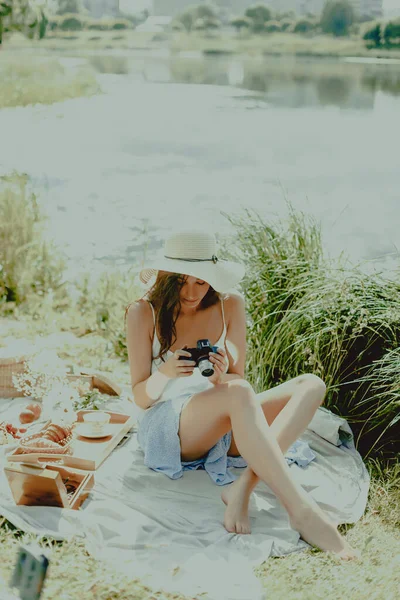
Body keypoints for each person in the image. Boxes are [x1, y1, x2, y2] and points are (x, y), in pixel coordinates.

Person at [125, 229, 359, 560]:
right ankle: (302, 511)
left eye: (201, 281)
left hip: (222, 412)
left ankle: (243, 487)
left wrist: (222, 375)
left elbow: (238, 379)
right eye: (181, 281)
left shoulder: (229, 305)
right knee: (240, 392)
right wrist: (164, 373)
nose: (191, 292)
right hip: (168, 426)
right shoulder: (142, 311)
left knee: (311, 385)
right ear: (166, 276)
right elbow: (139, 397)